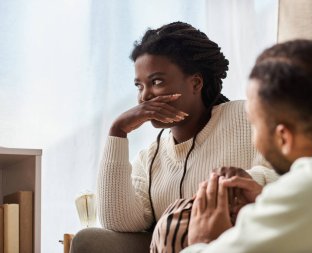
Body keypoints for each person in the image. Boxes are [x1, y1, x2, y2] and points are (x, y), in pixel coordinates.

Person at [183, 39, 312, 253]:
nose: (254, 139)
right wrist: (273, 206)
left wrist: (204, 241)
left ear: (283, 137)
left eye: (253, 124)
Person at [96, 21, 277, 235]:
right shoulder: (151, 157)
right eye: (139, 86)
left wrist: (247, 182)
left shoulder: (250, 118)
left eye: (157, 82)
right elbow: (118, 221)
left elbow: (297, 182)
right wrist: (117, 131)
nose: (145, 96)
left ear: (196, 83)